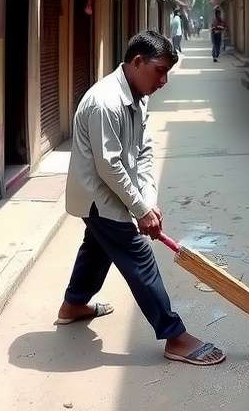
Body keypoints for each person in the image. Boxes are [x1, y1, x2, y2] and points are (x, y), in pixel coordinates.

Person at [57, 30, 225, 366]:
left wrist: (147, 200)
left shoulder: (138, 96)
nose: (163, 81)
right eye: (159, 71)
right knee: (139, 259)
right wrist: (139, 208)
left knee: (97, 248)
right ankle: (174, 336)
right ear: (137, 62)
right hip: (99, 198)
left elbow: (144, 151)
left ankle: (73, 304)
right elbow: (109, 166)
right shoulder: (106, 102)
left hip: (117, 194)